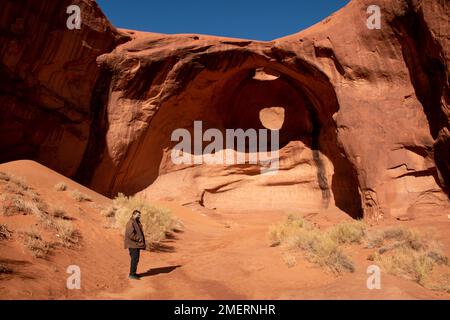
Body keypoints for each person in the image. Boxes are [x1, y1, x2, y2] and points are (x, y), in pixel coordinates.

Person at [124, 210, 146, 280]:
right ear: (133, 214)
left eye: (140, 215)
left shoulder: (136, 222)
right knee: (134, 259)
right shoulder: (130, 222)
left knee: (135, 259)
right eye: (138, 215)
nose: (139, 216)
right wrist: (138, 239)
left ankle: (133, 273)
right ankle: (131, 274)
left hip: (135, 244)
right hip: (132, 244)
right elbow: (130, 234)